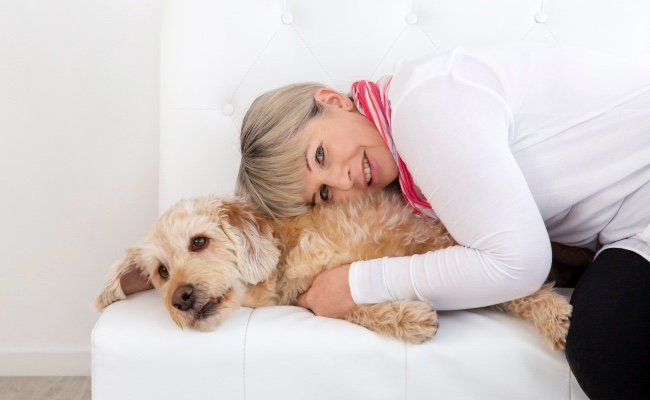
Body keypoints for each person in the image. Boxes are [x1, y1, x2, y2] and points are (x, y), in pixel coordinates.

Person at [236, 40, 650, 399]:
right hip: (631, 229)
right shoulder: (407, 175)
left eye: (319, 155)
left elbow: (519, 264)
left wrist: (354, 285)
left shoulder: (424, 106)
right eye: (323, 194)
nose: (342, 180)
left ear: (332, 101)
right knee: (605, 346)